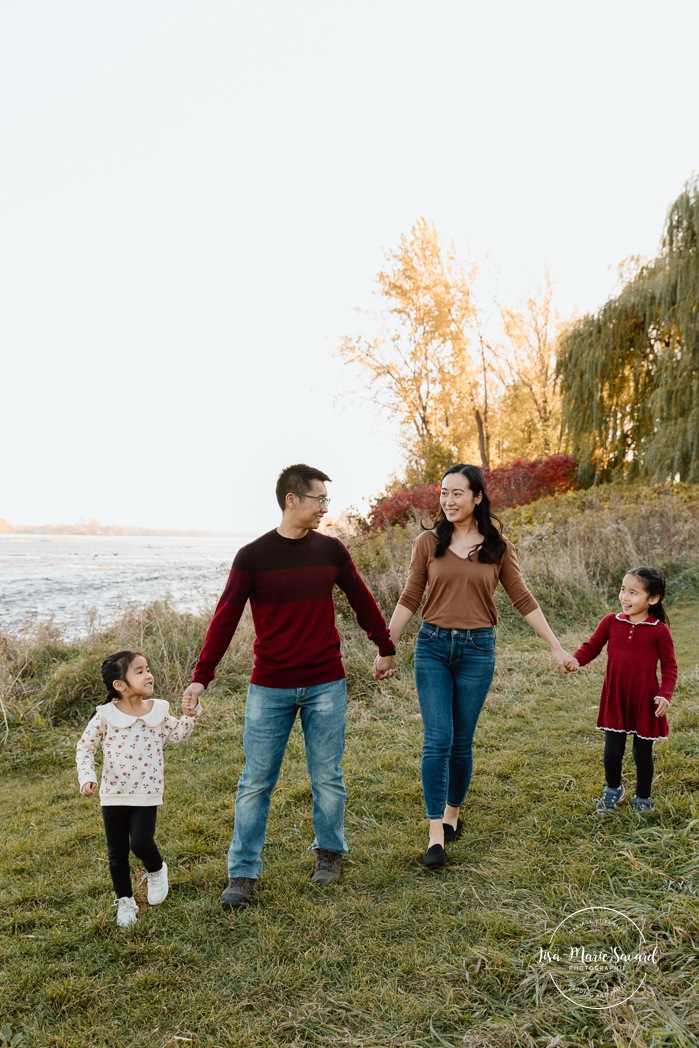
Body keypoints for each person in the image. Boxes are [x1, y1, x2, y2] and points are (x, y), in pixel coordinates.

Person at [182, 464, 396, 910]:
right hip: (270, 687)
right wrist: (202, 676)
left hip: (325, 683)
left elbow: (361, 598)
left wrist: (385, 645)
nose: (324, 508)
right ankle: (242, 873)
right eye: (320, 500)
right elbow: (224, 619)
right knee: (256, 781)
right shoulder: (252, 557)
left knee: (327, 776)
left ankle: (330, 853)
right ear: (292, 500)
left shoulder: (332, 551)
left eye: (326, 501)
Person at [381, 463, 576, 869]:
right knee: (437, 739)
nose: (448, 501)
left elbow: (523, 599)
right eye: (443, 493)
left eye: (457, 493)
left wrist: (556, 648)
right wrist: (387, 646)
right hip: (432, 647)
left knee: (462, 741)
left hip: (477, 650)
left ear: (477, 497)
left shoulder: (497, 546)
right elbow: (410, 596)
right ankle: (436, 834)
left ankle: (453, 814)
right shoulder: (427, 542)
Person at [76, 650, 201, 927]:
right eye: (140, 671)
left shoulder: (157, 711)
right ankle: (125, 901)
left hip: (147, 793)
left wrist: (190, 715)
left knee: (141, 843)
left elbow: (177, 734)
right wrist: (87, 776)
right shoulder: (105, 716)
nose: (149, 675)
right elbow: (85, 746)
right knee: (117, 853)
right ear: (120, 685)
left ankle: (156, 870)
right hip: (112, 794)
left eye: (148, 668)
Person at [570, 567, 677, 813]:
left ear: (653, 599)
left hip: (645, 701)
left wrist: (665, 695)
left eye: (633, 592)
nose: (625, 597)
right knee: (612, 751)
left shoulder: (659, 631)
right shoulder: (611, 622)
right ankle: (613, 788)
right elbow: (591, 647)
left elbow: (670, 667)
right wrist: (575, 660)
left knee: (642, 754)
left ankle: (643, 797)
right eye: (622, 590)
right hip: (616, 697)